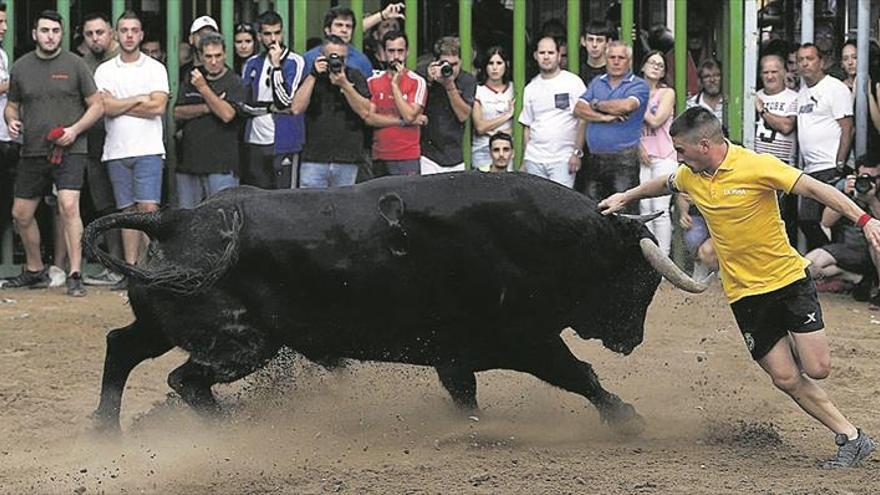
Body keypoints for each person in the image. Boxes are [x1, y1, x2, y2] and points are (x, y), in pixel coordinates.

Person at [599, 106, 877, 469]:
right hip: (745, 296)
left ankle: (798, 337)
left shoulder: (756, 166)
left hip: (788, 282)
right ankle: (852, 437)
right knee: (785, 377)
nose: (677, 158)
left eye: (680, 150)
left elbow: (816, 188)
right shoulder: (691, 174)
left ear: (703, 144)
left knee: (818, 367)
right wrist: (626, 196)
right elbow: (665, 182)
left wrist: (866, 220)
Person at [2, 10, 103, 296]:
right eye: (45, 30)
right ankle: (35, 270)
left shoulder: (76, 65)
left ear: (61, 34)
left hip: (71, 149)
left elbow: (97, 105)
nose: (50, 36)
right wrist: (11, 119)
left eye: (55, 31)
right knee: (21, 214)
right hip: (32, 149)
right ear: (35, 34)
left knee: (69, 206)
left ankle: (74, 273)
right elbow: (13, 104)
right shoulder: (21, 67)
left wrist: (75, 130)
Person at [94, 10, 169, 289]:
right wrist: (140, 99)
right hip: (116, 150)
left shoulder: (155, 68)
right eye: (123, 30)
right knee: (126, 212)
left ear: (141, 34)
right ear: (116, 34)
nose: (128, 35)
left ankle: (151, 271)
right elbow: (105, 108)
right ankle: (131, 272)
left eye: (133, 30)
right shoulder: (104, 70)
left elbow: (158, 107)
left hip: (148, 148)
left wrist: (121, 104)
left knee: (148, 210)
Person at [574, 41, 649, 209]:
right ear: (606, 59)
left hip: (624, 160)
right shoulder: (596, 82)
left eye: (621, 58)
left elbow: (626, 106)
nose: (616, 61)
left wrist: (596, 104)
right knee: (595, 211)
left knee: (625, 212)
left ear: (629, 61)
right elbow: (578, 109)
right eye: (612, 57)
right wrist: (604, 118)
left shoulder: (639, 85)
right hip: (594, 158)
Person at [173, 32, 244, 208]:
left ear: (225, 54)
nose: (214, 61)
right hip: (189, 164)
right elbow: (177, 112)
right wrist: (209, 106)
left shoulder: (234, 82)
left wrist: (203, 89)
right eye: (209, 56)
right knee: (188, 221)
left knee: (221, 220)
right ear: (201, 57)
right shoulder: (191, 78)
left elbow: (227, 115)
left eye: (218, 56)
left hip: (221, 166)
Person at [291, 35, 371, 188]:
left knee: (344, 208)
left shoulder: (354, 76)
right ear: (322, 57)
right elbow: (296, 108)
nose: (336, 62)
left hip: (347, 159)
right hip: (314, 158)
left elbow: (365, 112)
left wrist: (345, 84)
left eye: (341, 58)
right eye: (332, 58)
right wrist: (313, 75)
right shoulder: (312, 77)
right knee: (310, 207)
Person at [796, 43, 853, 252]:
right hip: (811, 169)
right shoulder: (802, 92)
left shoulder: (835, 88)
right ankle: (825, 260)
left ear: (821, 61)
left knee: (829, 221)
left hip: (830, 166)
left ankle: (834, 267)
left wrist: (839, 164)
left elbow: (847, 129)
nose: (805, 63)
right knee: (807, 220)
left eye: (809, 58)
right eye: (801, 60)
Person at [241, 10, 306, 189]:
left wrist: (277, 66)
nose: (273, 39)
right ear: (260, 36)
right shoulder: (251, 63)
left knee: (285, 198)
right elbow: (244, 104)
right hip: (255, 140)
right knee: (258, 196)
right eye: (268, 34)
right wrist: (270, 108)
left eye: (277, 33)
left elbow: (285, 101)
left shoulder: (294, 61)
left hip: (284, 140)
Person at [806, 154, 880, 301]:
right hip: (849, 249)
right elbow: (826, 222)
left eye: (875, 178)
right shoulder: (845, 188)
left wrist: (872, 201)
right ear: (855, 175)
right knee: (811, 265)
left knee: (876, 240)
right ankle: (857, 278)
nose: (868, 183)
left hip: (875, 249)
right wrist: (845, 197)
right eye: (864, 177)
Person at [519, 35, 586, 188]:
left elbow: (583, 120)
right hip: (534, 159)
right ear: (536, 56)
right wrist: (525, 159)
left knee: (561, 206)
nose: (546, 57)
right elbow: (527, 126)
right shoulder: (530, 88)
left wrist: (577, 153)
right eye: (542, 53)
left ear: (559, 55)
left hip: (563, 158)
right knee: (536, 206)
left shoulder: (573, 82)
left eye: (550, 52)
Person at [364, 31, 426, 177]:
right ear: (384, 53)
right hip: (380, 155)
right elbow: (369, 118)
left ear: (407, 53)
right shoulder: (372, 81)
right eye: (391, 51)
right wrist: (401, 122)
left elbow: (410, 115)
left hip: (407, 156)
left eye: (400, 51)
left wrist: (395, 86)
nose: (396, 56)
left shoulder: (417, 81)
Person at [755, 53, 800, 246]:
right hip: (756, 167)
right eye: (765, 72)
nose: (770, 76)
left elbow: (786, 126)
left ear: (784, 73)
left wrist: (763, 111)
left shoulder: (794, 98)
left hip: (782, 167)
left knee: (780, 222)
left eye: (774, 71)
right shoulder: (755, 95)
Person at [418, 36, 476, 175]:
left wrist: (449, 86)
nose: (450, 68)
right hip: (427, 155)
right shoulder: (422, 75)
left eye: (455, 64)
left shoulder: (467, 80)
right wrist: (428, 81)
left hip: (455, 155)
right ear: (436, 62)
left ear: (461, 62)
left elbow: (463, 115)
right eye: (445, 63)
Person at [639, 50, 676, 255]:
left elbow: (655, 120)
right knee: (645, 210)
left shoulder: (667, 93)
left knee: (660, 209)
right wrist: (639, 148)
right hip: (643, 156)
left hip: (664, 156)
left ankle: (664, 261)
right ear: (643, 66)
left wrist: (636, 102)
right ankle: (650, 260)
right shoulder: (634, 90)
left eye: (660, 65)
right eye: (651, 62)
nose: (655, 66)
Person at [471, 46, 514, 171]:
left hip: (507, 149)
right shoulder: (478, 91)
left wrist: (495, 132)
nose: (495, 68)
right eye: (491, 63)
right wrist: (507, 115)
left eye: (499, 63)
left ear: (506, 65)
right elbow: (480, 127)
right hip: (482, 148)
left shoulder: (514, 88)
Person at [304, 7, 373, 79]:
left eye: (348, 26)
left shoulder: (361, 60)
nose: (344, 30)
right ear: (327, 30)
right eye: (339, 25)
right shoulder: (309, 58)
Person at [0, 2, 16, 263]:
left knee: (4, 207)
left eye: (4, 22)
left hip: (4, 137)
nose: (3, 28)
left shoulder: (2, 55)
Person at [687, 59, 725, 124]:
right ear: (701, 81)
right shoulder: (691, 105)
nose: (712, 80)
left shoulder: (729, 103)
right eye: (707, 77)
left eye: (716, 75)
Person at [579, 21, 611, 86]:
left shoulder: (614, 71)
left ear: (608, 43)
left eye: (599, 40)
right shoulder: (578, 70)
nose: (594, 45)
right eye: (590, 40)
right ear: (583, 41)